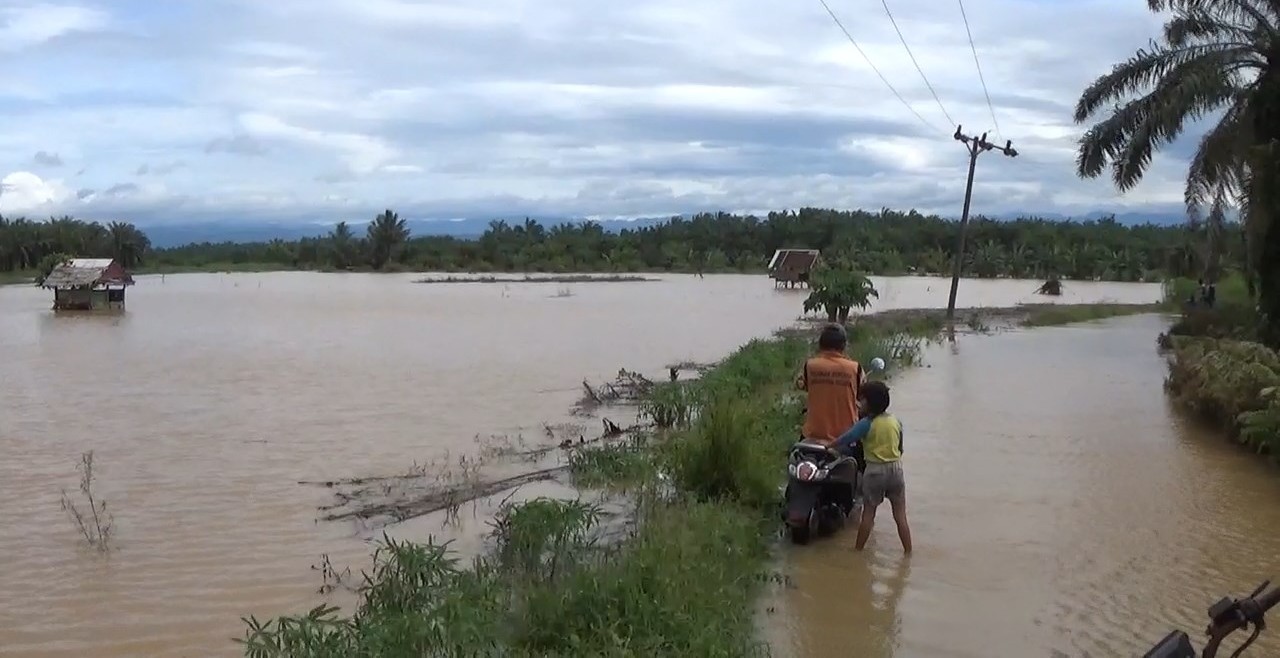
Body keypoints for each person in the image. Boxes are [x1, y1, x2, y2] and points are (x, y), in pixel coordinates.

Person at [833, 380, 911, 553]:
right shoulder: (896, 421)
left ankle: (857, 551)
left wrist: (828, 445)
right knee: (900, 516)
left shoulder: (866, 423)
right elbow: (900, 448)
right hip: (896, 469)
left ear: (868, 403)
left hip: (875, 471)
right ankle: (908, 553)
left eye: (861, 401)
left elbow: (846, 438)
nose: (859, 405)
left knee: (868, 514)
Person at [794, 323, 865, 447]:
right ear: (844, 345)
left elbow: (800, 385)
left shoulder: (810, 365)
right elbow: (862, 392)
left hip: (812, 436)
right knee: (863, 463)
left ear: (820, 344)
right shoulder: (854, 368)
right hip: (846, 437)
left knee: (794, 459)